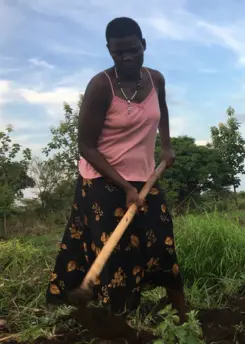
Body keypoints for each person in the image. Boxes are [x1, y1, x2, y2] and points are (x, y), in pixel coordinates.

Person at [46, 17, 187, 324]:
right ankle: (119, 325)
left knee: (163, 244)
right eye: (118, 52)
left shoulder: (156, 80)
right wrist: (124, 187)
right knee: (118, 254)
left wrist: (166, 145)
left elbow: (161, 111)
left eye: (133, 50)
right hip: (101, 181)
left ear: (144, 46)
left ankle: (184, 317)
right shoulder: (101, 86)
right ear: (109, 50)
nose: (126, 58)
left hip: (145, 176)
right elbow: (86, 146)